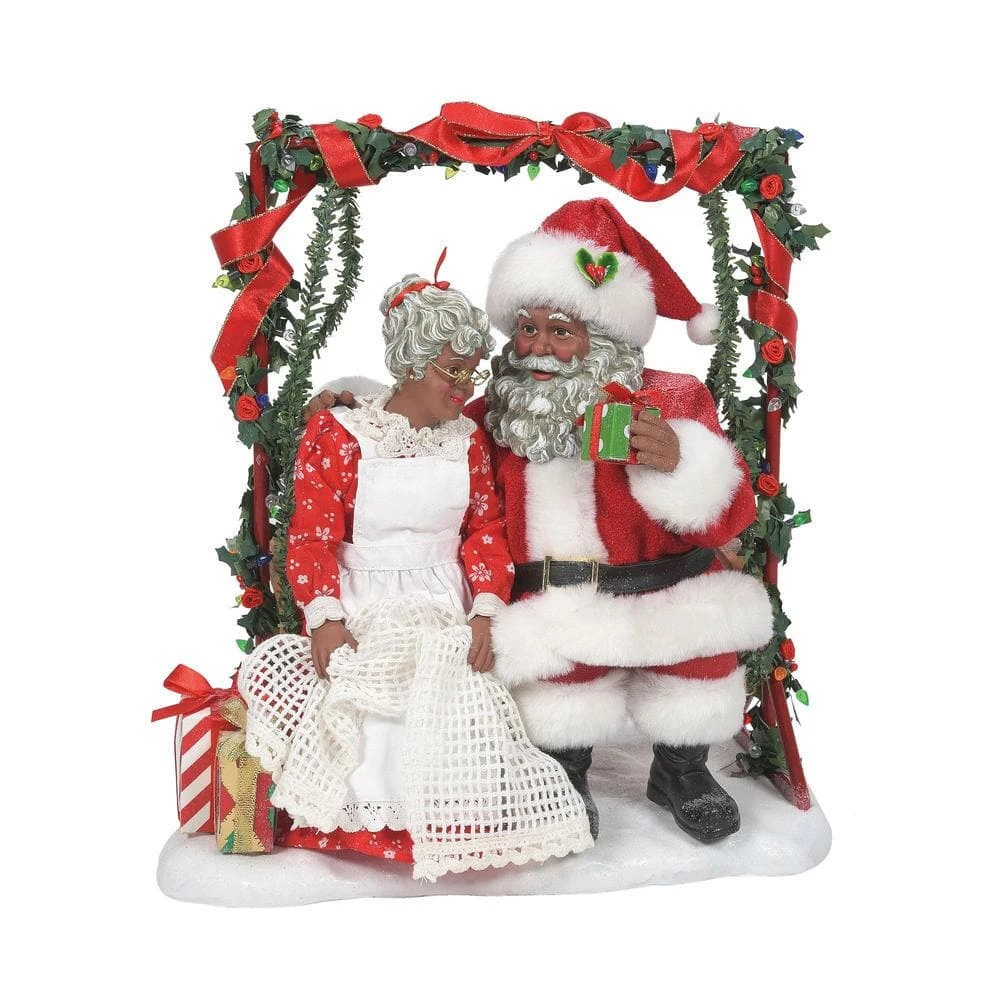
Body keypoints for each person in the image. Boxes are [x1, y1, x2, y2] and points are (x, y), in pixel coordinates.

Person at [308, 200, 774, 846]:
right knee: (554, 689)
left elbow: (730, 514)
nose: (539, 348)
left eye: (561, 330)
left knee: (696, 668)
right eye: (526, 328)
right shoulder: (497, 411)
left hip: (667, 588)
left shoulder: (673, 398)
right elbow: (415, 422)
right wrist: (352, 404)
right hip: (554, 600)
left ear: (603, 334)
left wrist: (679, 461)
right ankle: (562, 773)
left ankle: (681, 770)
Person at [240, 266, 593, 880]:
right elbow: (313, 536)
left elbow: (484, 531)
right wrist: (324, 617)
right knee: (370, 722)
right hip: (365, 601)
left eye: (471, 371)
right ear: (411, 364)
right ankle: (364, 822)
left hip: (442, 602)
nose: (465, 386)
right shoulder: (340, 433)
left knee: (455, 715)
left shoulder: (467, 441)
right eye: (452, 371)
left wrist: (485, 608)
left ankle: (456, 819)